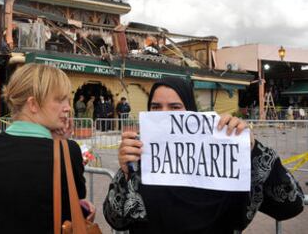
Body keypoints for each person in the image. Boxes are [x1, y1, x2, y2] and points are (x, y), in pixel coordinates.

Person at [103, 76, 304, 234]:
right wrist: (125, 172)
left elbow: (291, 204)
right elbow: (115, 220)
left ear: (190, 110)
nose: (164, 114)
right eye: (156, 107)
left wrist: (252, 149)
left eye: (175, 107)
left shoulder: (223, 159)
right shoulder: (140, 160)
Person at [0, 64, 95, 233]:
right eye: (60, 99)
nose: (68, 107)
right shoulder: (67, 151)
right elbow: (74, 201)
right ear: (33, 104)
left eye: (68, 100)